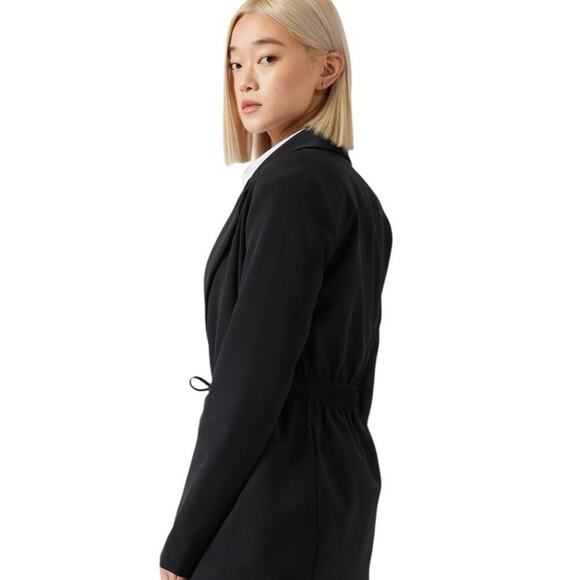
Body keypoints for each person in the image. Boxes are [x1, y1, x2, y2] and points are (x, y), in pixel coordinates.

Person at [159, 1, 393, 578]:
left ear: (328, 69)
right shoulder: (351, 192)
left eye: (267, 58)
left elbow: (252, 377)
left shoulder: (294, 184)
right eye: (235, 63)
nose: (246, 81)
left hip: (274, 490)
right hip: (332, 484)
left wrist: (184, 543)